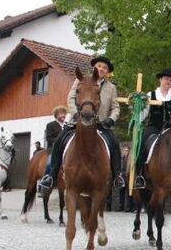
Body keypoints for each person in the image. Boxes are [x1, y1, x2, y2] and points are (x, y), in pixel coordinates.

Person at [40, 56, 124, 191]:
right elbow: (71, 98)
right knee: (59, 142)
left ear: (108, 71)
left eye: (104, 67)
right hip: (78, 121)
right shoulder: (81, 80)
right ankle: (51, 175)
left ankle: (117, 176)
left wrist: (111, 119)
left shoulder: (111, 87)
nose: (101, 69)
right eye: (99, 66)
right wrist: (75, 113)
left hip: (101, 124)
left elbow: (116, 107)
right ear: (94, 67)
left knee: (114, 145)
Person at [134, 69, 171, 188]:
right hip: (154, 127)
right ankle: (139, 175)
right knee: (141, 145)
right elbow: (143, 114)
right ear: (160, 79)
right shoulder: (150, 95)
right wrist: (136, 116)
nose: (169, 81)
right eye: (166, 79)